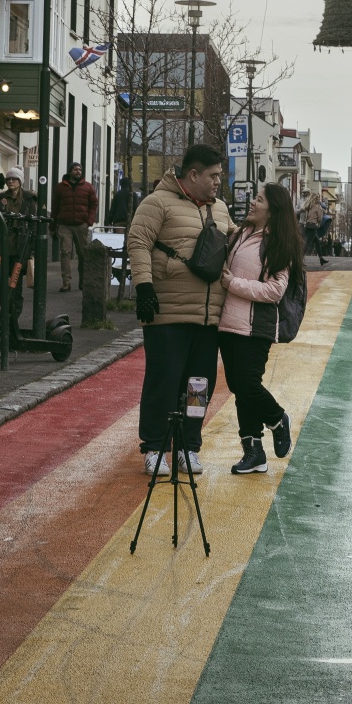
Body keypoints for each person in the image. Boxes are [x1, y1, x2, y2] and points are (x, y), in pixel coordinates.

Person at [127, 144, 237, 477]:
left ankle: (188, 446)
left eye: (220, 175)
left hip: (207, 317)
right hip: (168, 314)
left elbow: (234, 242)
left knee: (197, 387)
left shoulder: (220, 209)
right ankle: (155, 448)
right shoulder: (157, 202)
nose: (218, 181)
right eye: (213, 175)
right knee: (164, 381)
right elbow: (138, 241)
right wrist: (144, 286)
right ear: (193, 175)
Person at [218, 182, 302, 475]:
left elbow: (276, 291)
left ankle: (278, 418)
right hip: (227, 323)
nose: (252, 203)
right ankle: (253, 453)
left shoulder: (278, 243)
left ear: (273, 209)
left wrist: (233, 284)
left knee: (248, 386)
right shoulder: (240, 233)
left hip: (255, 327)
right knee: (239, 389)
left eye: (259, 199)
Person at [53, 162, 100, 291]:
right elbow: (55, 206)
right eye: (75, 169)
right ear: (70, 171)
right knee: (65, 253)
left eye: (80, 169)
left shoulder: (88, 187)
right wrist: (53, 224)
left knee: (83, 254)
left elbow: (94, 205)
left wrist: (89, 222)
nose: (78, 171)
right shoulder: (60, 187)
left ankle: (83, 281)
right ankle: (66, 282)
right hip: (65, 225)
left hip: (81, 225)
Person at [300, 192, 328, 267]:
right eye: (318, 197)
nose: (319, 199)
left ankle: (321, 259)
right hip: (313, 227)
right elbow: (319, 219)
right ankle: (299, 259)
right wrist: (321, 211)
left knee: (317, 242)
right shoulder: (318, 207)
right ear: (316, 199)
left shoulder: (310, 206)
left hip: (307, 226)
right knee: (307, 244)